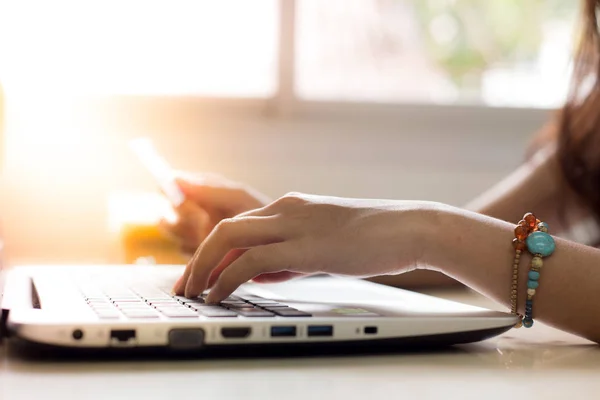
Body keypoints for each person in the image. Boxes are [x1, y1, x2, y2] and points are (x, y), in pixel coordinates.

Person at [164, 0, 600, 344]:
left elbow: (449, 243)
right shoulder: (592, 125)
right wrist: (283, 234)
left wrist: (425, 229)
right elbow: (471, 253)